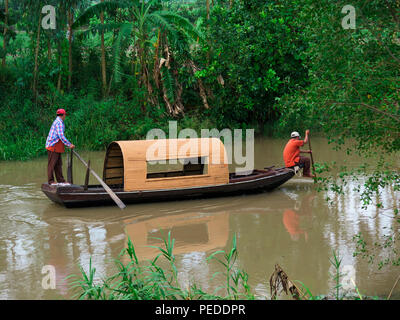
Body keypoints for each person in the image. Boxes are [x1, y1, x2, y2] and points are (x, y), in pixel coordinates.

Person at [45, 109, 75, 186]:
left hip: (56, 146)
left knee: (58, 164)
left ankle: (61, 180)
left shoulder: (58, 121)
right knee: (52, 164)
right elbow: (61, 136)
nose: (65, 116)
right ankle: (51, 181)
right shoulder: (59, 123)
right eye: (65, 115)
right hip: (53, 145)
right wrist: (69, 144)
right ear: (63, 115)